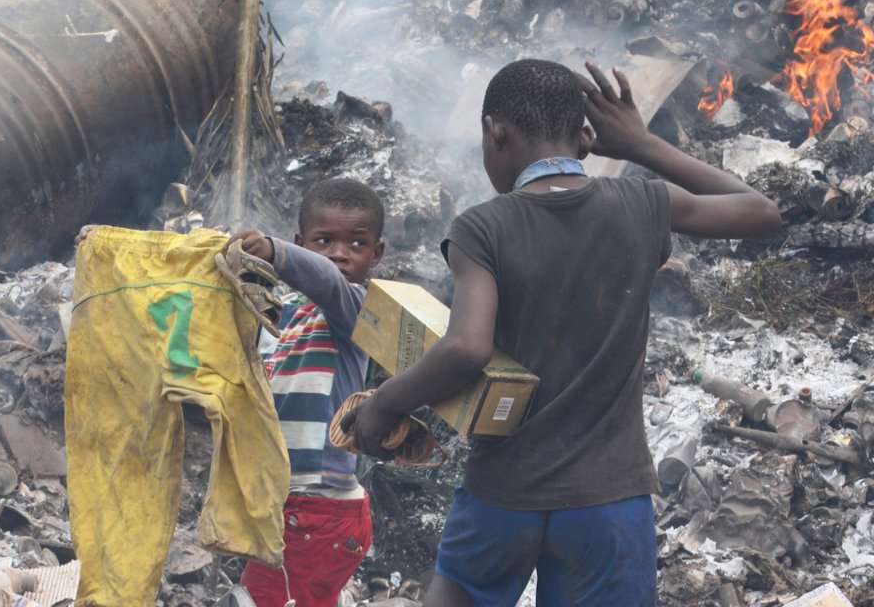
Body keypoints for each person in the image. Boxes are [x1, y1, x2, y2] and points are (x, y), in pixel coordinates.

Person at [341, 59, 781, 607]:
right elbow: (761, 212)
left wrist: (387, 400)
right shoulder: (644, 204)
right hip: (610, 501)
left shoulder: (483, 226)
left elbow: (468, 347)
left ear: (495, 133)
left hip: (504, 493)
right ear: (588, 139)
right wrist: (642, 145)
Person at [235, 177, 387, 607]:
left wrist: (277, 251)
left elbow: (325, 281)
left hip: (320, 508)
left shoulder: (356, 310)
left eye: (357, 244)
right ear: (306, 240)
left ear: (376, 254)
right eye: (324, 241)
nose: (340, 253)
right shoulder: (286, 319)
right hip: (297, 505)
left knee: (263, 598)